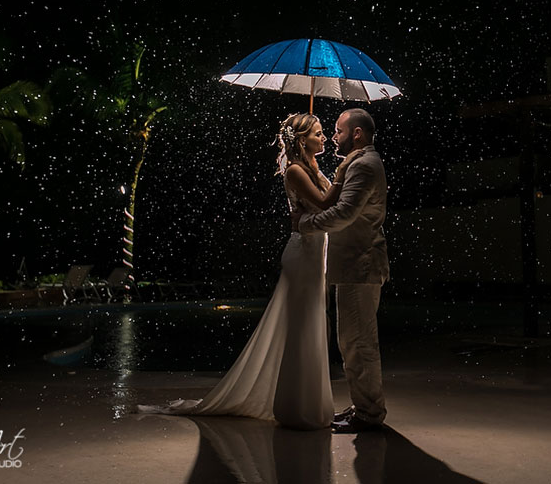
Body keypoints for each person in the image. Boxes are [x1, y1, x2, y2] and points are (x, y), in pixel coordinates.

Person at [137, 113, 361, 430]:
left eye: (324, 132)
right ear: (302, 140)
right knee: (302, 327)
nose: (324, 137)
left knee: (312, 325)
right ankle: (298, 408)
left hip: (314, 252)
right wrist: (343, 173)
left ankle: (308, 403)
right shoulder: (296, 170)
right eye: (318, 133)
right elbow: (325, 204)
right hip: (303, 254)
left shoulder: (312, 167)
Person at [292, 108, 390, 433]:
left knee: (359, 342)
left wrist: (304, 224)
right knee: (353, 341)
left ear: (356, 133)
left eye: (338, 130)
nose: (333, 137)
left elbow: (344, 213)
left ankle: (369, 413)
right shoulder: (357, 163)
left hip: (359, 266)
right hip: (355, 266)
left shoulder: (363, 165)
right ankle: (364, 405)